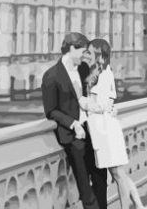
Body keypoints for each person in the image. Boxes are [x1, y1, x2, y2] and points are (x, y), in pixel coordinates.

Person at [41, 32, 107, 209]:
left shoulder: (83, 69)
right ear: (71, 49)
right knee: (85, 187)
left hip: (91, 130)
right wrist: (73, 123)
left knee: (101, 179)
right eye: (83, 51)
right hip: (73, 136)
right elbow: (51, 111)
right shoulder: (51, 76)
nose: (85, 56)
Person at [82, 38, 147, 209]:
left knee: (118, 175)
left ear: (101, 57)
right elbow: (109, 104)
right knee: (120, 174)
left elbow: (101, 106)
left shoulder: (104, 75)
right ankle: (140, 206)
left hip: (105, 130)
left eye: (91, 52)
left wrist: (82, 101)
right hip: (105, 128)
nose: (87, 55)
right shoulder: (102, 73)